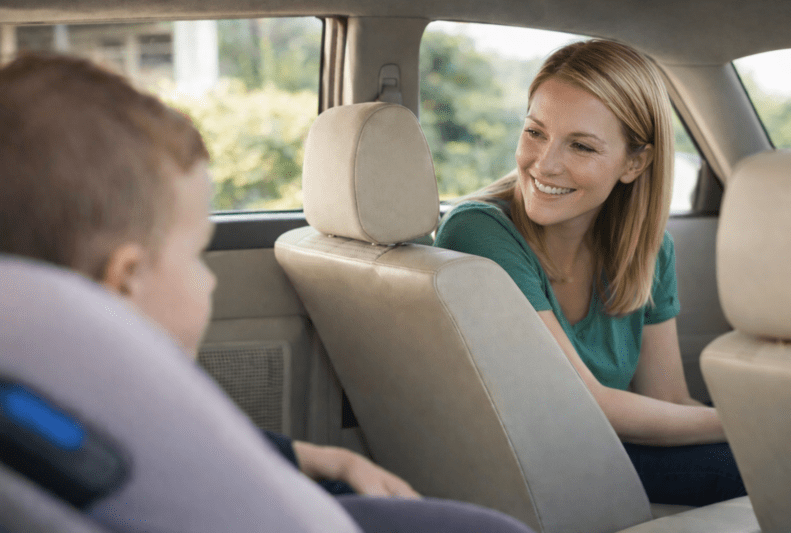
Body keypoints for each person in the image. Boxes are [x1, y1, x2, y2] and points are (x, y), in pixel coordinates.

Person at [0, 52, 536, 533]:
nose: (208, 279)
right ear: (125, 278)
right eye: (196, 255)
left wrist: (319, 458)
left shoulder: (41, 397)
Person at [434, 39, 746, 507]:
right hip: (539, 468)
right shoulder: (479, 232)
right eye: (535, 132)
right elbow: (586, 404)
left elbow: (670, 400)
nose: (545, 163)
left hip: (613, 453)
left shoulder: (650, 249)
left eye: (580, 145)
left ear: (635, 162)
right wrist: (752, 423)